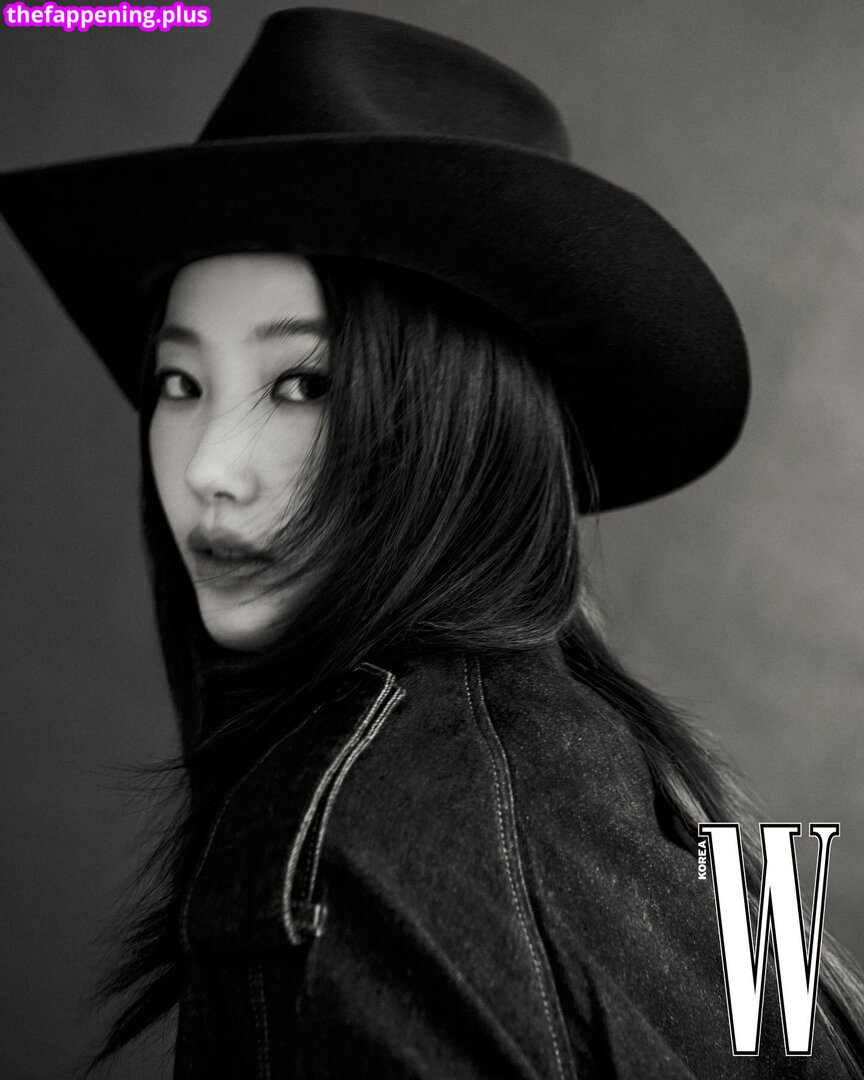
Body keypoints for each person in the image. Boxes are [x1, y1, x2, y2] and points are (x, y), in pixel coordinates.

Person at [1, 7, 862, 1079]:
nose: (209, 466)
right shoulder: (663, 784)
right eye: (180, 383)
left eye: (302, 383)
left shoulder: (342, 829)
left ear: (464, 417)